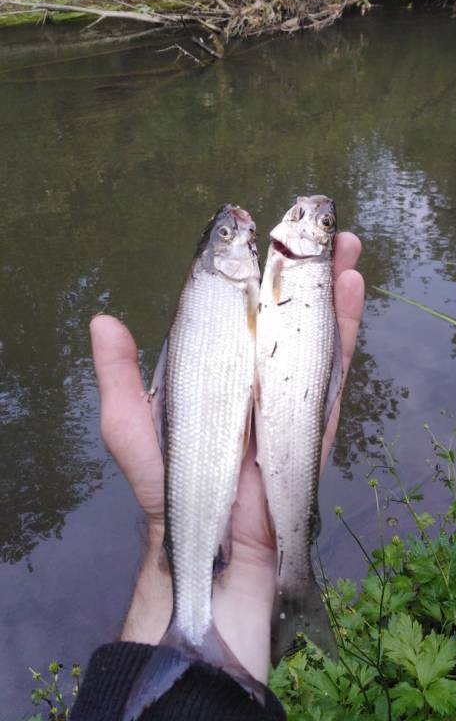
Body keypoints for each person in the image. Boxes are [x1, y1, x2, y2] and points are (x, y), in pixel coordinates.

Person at [71, 232, 364, 721]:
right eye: (228, 235)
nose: (241, 235)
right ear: (213, 261)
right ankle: (193, 625)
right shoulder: (225, 292)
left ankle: (210, 625)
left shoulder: (242, 288)